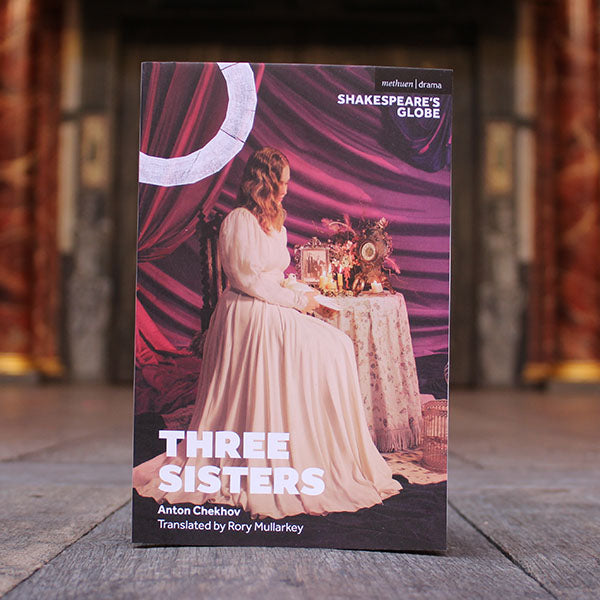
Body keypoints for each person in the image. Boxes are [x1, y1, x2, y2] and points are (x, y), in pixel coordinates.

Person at [133, 147, 401, 519]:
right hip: (247, 313)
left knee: (338, 345)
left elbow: (273, 276)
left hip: (270, 305)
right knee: (329, 347)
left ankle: (318, 446)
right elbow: (247, 281)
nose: (288, 190)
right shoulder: (239, 221)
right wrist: (297, 304)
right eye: (284, 183)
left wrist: (303, 293)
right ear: (267, 182)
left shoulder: (276, 222)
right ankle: (294, 446)